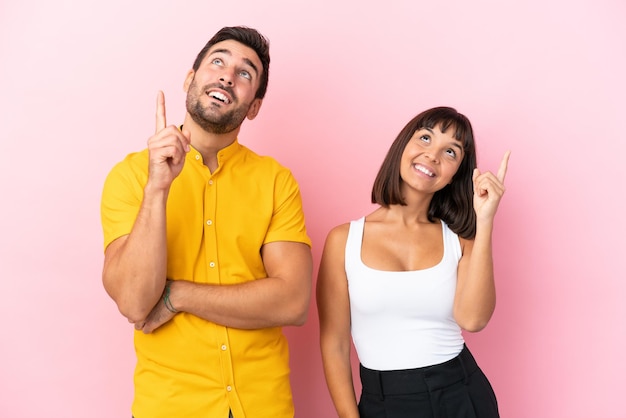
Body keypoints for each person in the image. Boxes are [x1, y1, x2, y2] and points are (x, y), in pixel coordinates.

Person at [100, 26, 313, 418]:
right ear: (190, 78)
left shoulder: (275, 181)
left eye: (245, 73)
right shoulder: (131, 177)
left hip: (263, 405)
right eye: (217, 61)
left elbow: (293, 301)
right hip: (171, 405)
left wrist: (177, 295)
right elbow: (133, 302)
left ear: (254, 106)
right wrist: (157, 189)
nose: (227, 76)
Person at [317, 107, 509, 417]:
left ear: (455, 175)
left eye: (450, 151)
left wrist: (484, 220)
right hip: (384, 401)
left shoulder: (460, 238)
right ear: (403, 146)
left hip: (461, 394)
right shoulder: (343, 240)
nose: (432, 155)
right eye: (425, 138)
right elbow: (334, 344)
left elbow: (473, 320)